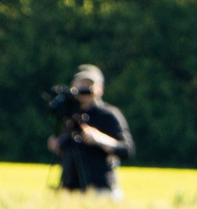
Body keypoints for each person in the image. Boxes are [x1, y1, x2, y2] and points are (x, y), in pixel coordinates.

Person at [47, 65, 135, 195]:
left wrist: (101, 140)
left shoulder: (109, 114)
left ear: (100, 88)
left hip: (100, 189)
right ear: (73, 85)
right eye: (81, 83)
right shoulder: (69, 114)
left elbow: (127, 150)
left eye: (89, 84)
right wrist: (58, 144)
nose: (84, 88)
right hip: (70, 190)